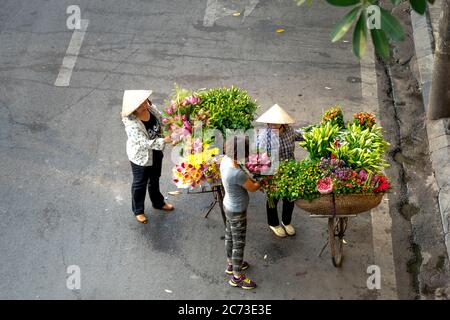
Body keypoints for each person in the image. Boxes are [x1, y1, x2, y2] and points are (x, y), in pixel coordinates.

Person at [121, 90, 174, 224]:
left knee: (155, 178)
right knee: (140, 183)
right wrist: (165, 140)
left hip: (155, 152)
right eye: (140, 105)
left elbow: (162, 119)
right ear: (133, 109)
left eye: (145, 102)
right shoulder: (132, 124)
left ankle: (158, 202)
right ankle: (138, 210)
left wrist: (173, 123)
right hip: (141, 158)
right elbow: (144, 143)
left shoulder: (150, 108)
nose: (145, 105)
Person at [256, 104, 303, 238]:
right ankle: (274, 223)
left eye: (276, 123)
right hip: (273, 172)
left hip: (290, 169)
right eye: (270, 123)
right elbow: (258, 156)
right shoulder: (264, 137)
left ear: (282, 123)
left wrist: (314, 135)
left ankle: (286, 221)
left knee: (290, 197)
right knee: (273, 199)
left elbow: (298, 135)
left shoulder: (288, 130)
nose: (272, 125)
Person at [220, 135, 260, 290]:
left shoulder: (225, 161)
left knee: (230, 236)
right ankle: (237, 277)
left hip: (227, 205)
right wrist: (261, 182)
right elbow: (253, 188)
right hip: (237, 211)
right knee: (239, 243)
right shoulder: (237, 173)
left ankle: (231, 264)